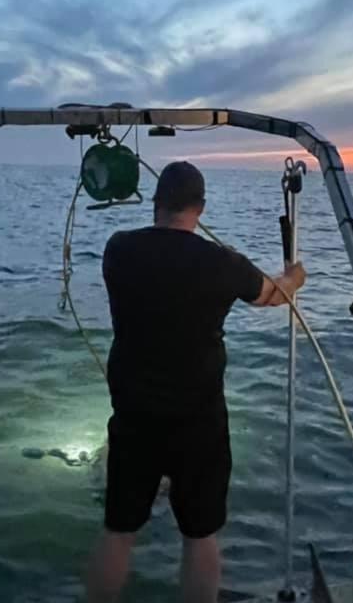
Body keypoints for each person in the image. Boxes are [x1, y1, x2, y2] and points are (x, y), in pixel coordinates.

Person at [86, 161, 307, 603]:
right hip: (199, 424)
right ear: (200, 207)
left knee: (118, 530)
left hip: (133, 419)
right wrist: (294, 277)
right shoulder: (222, 263)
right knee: (201, 537)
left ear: (156, 202)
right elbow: (272, 295)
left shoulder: (118, 249)